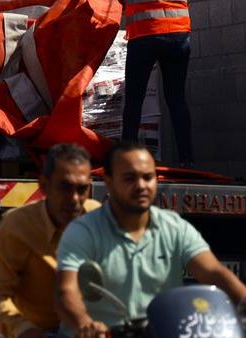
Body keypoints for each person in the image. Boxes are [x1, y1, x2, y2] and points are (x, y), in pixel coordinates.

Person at [55, 141, 246, 338]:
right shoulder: (83, 231)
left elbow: (213, 272)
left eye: (148, 177)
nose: (141, 186)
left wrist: (243, 298)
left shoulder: (174, 227)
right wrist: (85, 324)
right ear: (109, 182)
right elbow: (66, 292)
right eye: (129, 178)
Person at [78, 0, 192, 166]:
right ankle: (187, 159)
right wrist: (129, 0)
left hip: (147, 37)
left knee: (135, 100)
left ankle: (126, 160)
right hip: (179, 38)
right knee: (177, 99)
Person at [0, 144, 100, 338]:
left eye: (82, 189)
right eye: (65, 187)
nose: (74, 199)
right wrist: (24, 330)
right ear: (44, 185)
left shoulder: (98, 218)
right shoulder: (17, 226)